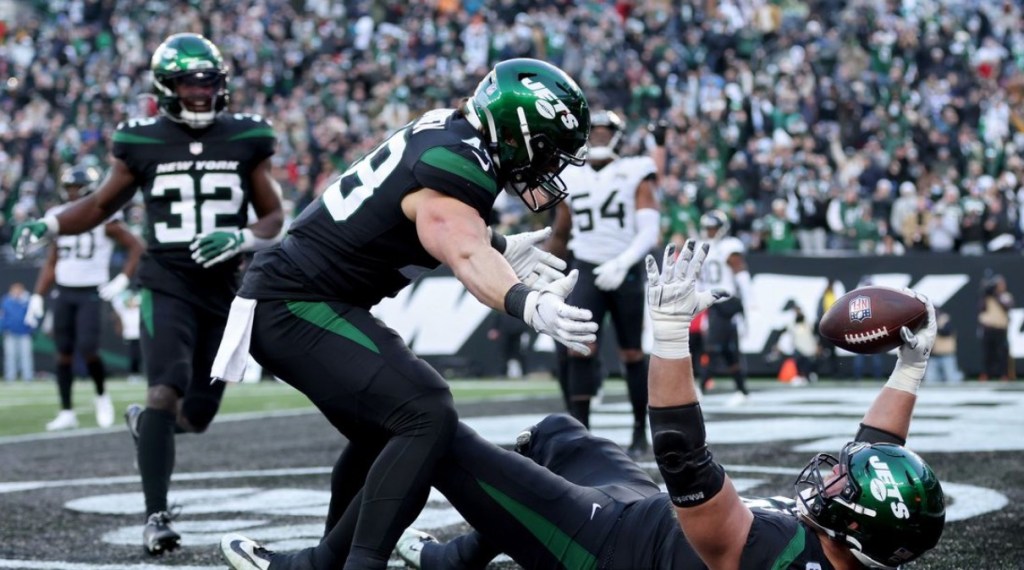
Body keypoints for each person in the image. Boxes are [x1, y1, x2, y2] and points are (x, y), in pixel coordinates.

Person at [212, 58, 596, 569]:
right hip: (294, 301)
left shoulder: (453, 136)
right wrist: (525, 299)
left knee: (395, 434)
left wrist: (499, 244)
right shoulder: (457, 163)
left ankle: (321, 565)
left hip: (305, 297)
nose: (549, 168)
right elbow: (463, 250)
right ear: (515, 132)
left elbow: (419, 214)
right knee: (425, 410)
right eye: (546, 150)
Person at [373, 241, 942, 570]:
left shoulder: (774, 555)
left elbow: (681, 457)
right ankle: (460, 559)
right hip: (643, 510)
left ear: (853, 529)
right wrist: (910, 367)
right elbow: (878, 450)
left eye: (845, 486)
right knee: (555, 434)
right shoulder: (857, 544)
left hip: (604, 545)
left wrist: (670, 334)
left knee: (435, 429)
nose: (834, 474)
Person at [10, 33, 284, 555]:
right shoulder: (141, 140)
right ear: (166, 88)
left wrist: (241, 237)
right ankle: (155, 516)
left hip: (223, 287)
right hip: (166, 279)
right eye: (189, 83)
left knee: (197, 415)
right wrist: (50, 224)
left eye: (208, 82)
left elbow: (273, 217)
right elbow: (99, 206)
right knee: (165, 387)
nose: (200, 93)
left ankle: (150, 427)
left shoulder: (247, 136)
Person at [546, 110, 662, 456]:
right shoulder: (571, 175)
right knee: (579, 346)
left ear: (618, 135)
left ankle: (639, 431)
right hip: (585, 266)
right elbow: (561, 231)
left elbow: (650, 229)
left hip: (624, 266)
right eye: (593, 130)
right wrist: (545, 268)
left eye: (605, 130)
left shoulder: (635, 170)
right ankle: (581, 434)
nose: (598, 134)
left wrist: (623, 262)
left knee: (631, 352)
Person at [26, 164, 143, 431]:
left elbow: (136, 246)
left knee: (89, 348)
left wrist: (123, 278)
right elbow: (52, 260)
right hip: (64, 290)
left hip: (90, 290)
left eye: (76, 187)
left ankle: (101, 396)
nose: (71, 192)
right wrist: (38, 295)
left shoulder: (104, 216)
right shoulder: (56, 216)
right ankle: (66, 411)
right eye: (68, 187)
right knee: (62, 353)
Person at [696, 210, 752, 405]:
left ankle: (700, 389)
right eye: (707, 227)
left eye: (713, 227)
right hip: (711, 303)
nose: (709, 231)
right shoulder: (701, 246)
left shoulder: (729, 246)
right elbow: (697, 278)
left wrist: (750, 303)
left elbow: (741, 273)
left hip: (727, 302)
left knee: (712, 348)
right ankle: (742, 391)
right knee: (729, 352)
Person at [978, 273, 1013, 381]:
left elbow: (1007, 306)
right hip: (988, 328)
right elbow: (981, 307)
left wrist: (996, 295)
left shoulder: (1005, 296)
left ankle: (1004, 375)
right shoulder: (987, 297)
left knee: (1002, 353)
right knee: (988, 353)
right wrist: (986, 291)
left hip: (1000, 328)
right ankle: (986, 374)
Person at [1, 282, 35, 382]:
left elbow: (32, 318)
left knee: (26, 356)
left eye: (18, 290)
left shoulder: (27, 301)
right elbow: (2, 317)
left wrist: (30, 329)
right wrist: (3, 328)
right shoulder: (6, 301)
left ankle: (28, 377)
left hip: (24, 334)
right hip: (10, 333)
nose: (16, 293)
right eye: (14, 290)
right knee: (10, 356)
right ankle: (10, 377)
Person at [112, 288, 144, 383]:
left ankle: (139, 373)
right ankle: (134, 374)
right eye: (130, 300)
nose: (132, 302)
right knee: (133, 356)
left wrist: (136, 297)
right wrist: (120, 290)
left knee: (140, 356)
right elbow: (116, 302)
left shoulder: (139, 310)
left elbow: (142, 298)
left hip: (140, 336)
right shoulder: (124, 311)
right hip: (130, 337)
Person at [924, 307, 962, 385]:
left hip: (947, 355)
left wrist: (938, 324)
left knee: (951, 379)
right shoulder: (929, 323)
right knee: (930, 380)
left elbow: (945, 332)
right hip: (934, 356)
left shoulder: (946, 321)